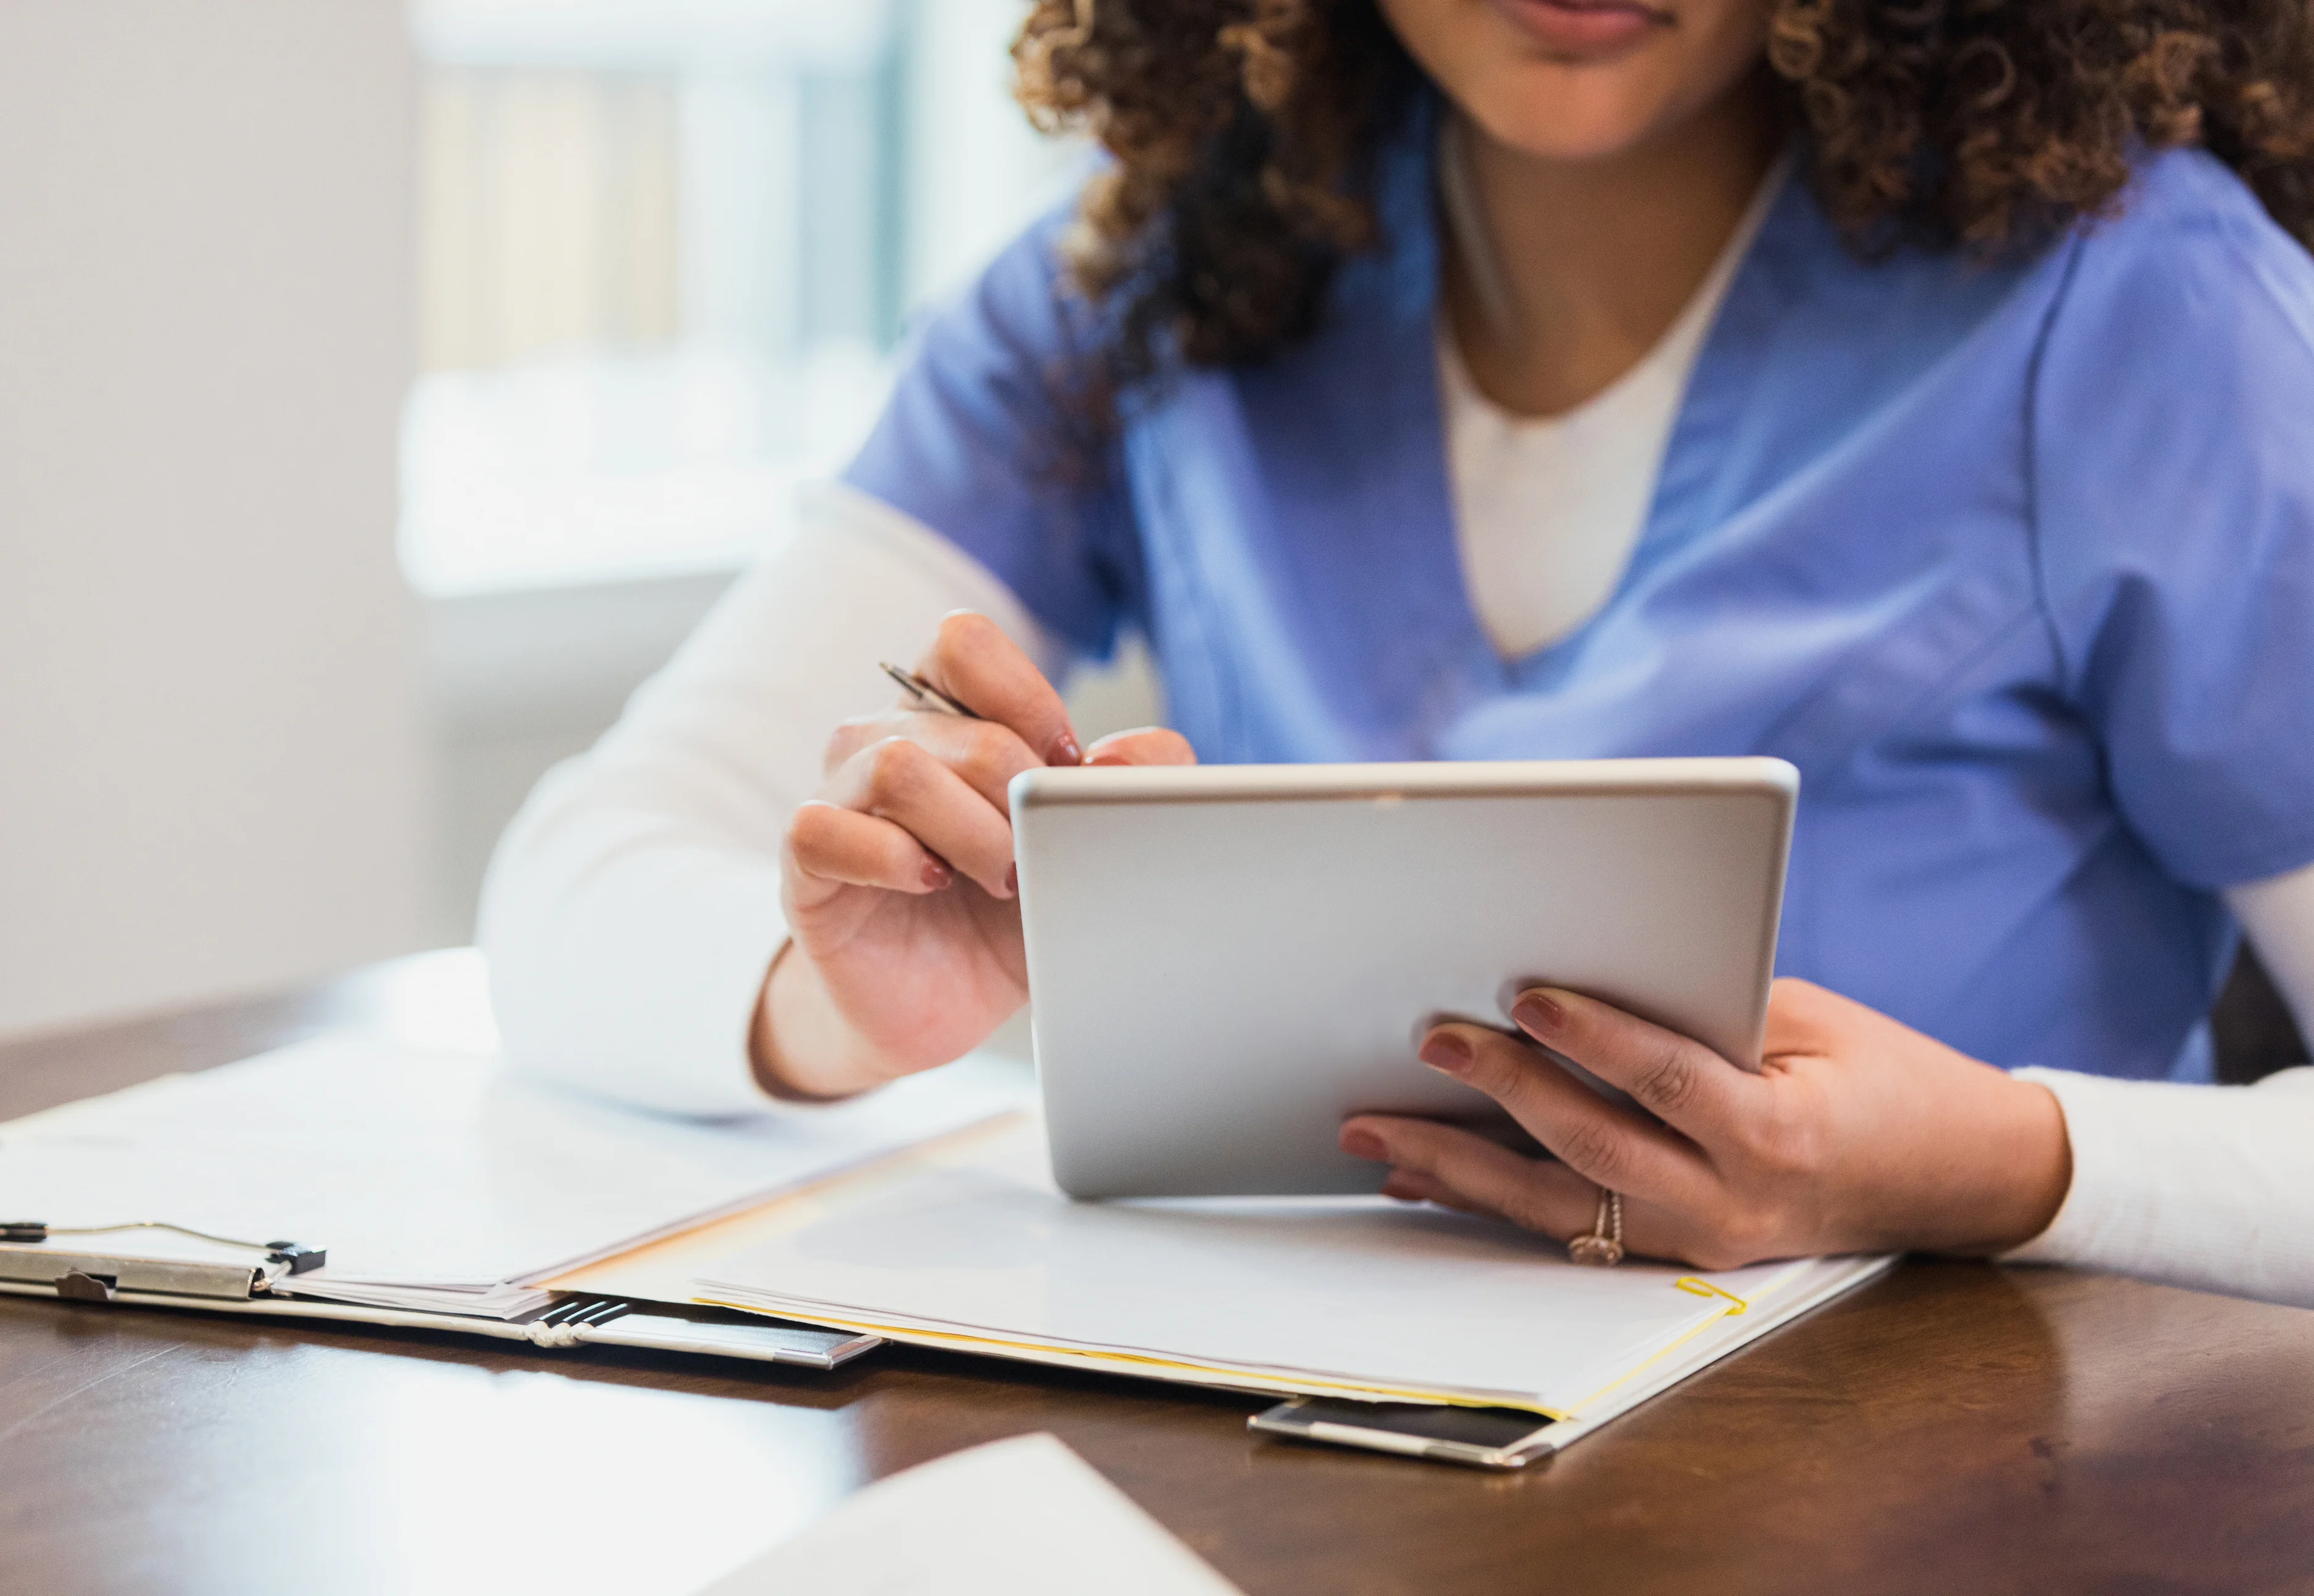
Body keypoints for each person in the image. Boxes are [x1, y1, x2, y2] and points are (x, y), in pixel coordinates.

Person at [482, 0, 2314, 1307]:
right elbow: (574, 880)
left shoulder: (2148, 314)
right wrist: (838, 1002)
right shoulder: (1151, 283)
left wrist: (2001, 1167)